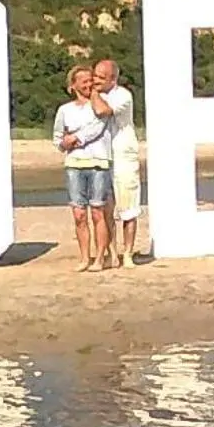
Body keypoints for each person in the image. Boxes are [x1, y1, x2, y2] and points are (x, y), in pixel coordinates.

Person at [53, 65, 114, 271]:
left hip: (98, 162)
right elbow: (58, 138)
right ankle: (84, 258)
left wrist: (76, 137)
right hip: (74, 165)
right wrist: (64, 143)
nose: (89, 84)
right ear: (73, 85)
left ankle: (99, 258)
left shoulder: (100, 105)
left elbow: (98, 127)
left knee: (98, 211)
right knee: (79, 214)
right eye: (84, 81)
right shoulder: (65, 110)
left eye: (91, 80)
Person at [89, 57, 142, 265]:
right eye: (94, 75)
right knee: (106, 207)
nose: (95, 80)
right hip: (102, 155)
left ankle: (128, 252)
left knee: (129, 206)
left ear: (113, 79)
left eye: (101, 77)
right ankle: (112, 252)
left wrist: (94, 93)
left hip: (124, 155)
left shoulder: (123, 96)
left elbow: (103, 110)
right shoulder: (94, 95)